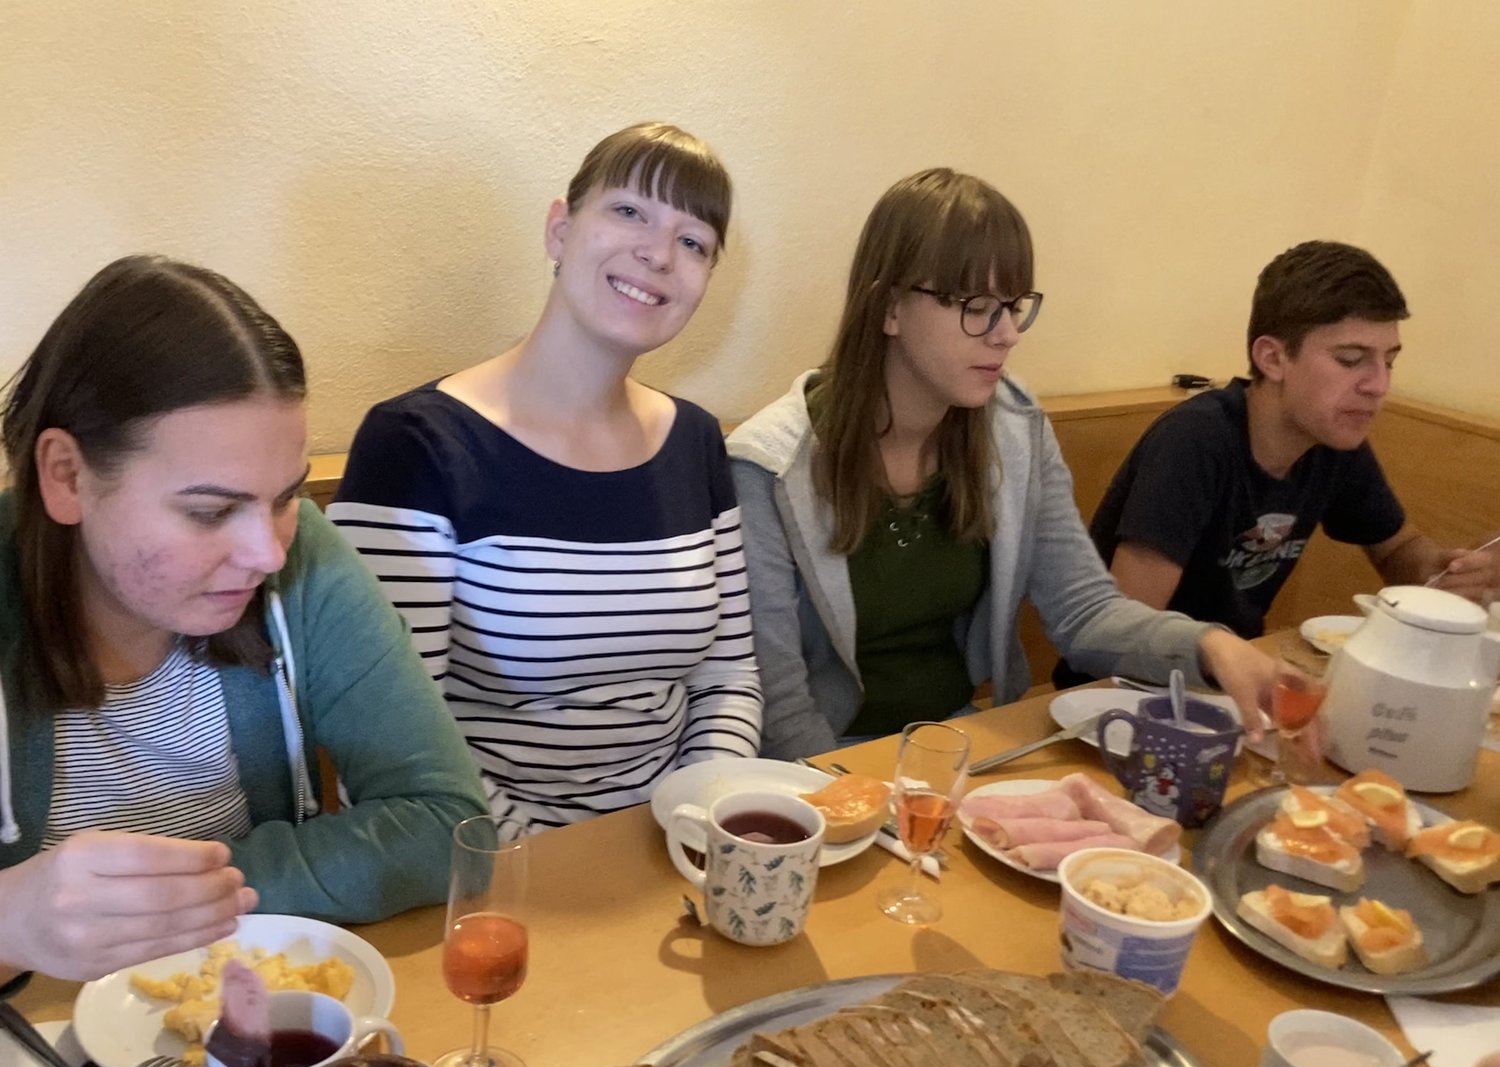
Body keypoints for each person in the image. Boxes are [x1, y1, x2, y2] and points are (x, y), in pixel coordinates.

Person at [0, 256, 487, 988]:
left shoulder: (303, 556)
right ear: (67, 475)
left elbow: (445, 823)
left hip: (233, 1011)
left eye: (285, 497)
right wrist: (10, 919)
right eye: (210, 511)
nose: (267, 553)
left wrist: (162, 908)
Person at [727, 168, 1274, 762]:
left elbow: (1084, 611)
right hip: (824, 763)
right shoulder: (769, 467)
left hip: (958, 742)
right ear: (889, 307)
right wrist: (858, 799)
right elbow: (780, 705)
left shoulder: (1014, 429)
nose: (1007, 334)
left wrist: (1211, 646)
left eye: (1013, 307)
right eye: (977, 307)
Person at [329, 123, 762, 833]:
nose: (658, 254)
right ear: (560, 230)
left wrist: (694, 820)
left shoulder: (695, 439)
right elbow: (396, 740)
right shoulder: (416, 443)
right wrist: (551, 866)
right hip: (488, 859)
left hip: (675, 842)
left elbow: (728, 675)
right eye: (630, 211)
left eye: (693, 242)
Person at [1084, 240, 1499, 644]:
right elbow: (1127, 633)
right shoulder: (1195, 440)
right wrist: (1225, 660)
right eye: (1351, 360)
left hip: (1237, 673)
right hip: (1135, 681)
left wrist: (1447, 571)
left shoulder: (1332, 439)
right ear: (1272, 358)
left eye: (1389, 361)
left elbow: (1398, 549)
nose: (1379, 385)